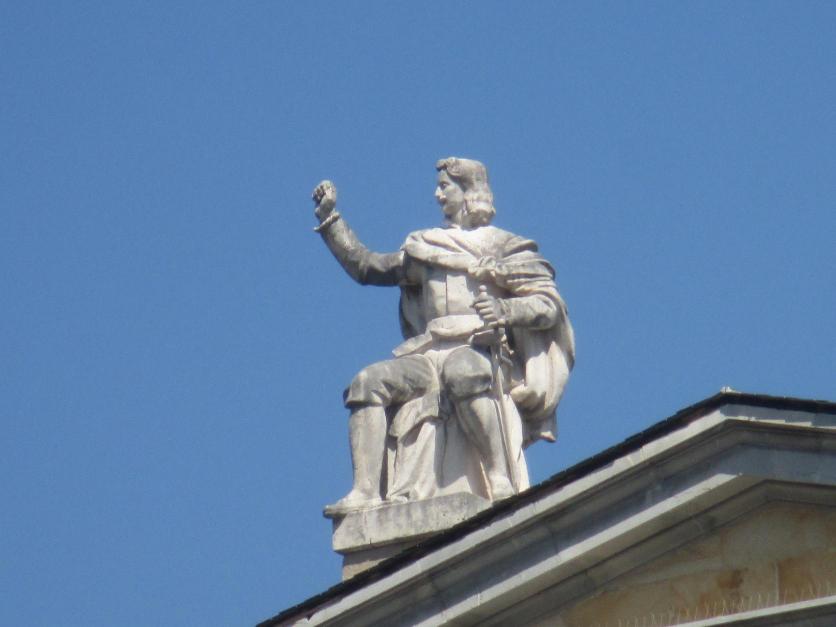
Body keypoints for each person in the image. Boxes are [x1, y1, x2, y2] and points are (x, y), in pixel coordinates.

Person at [313, 158, 574, 515]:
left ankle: (499, 477)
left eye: (444, 186)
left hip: (478, 347)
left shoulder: (504, 246)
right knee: (367, 382)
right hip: (428, 352)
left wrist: (505, 310)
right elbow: (367, 267)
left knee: (463, 372)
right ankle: (365, 492)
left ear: (468, 191)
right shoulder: (425, 246)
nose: (437, 195)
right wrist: (331, 221)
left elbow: (548, 306)